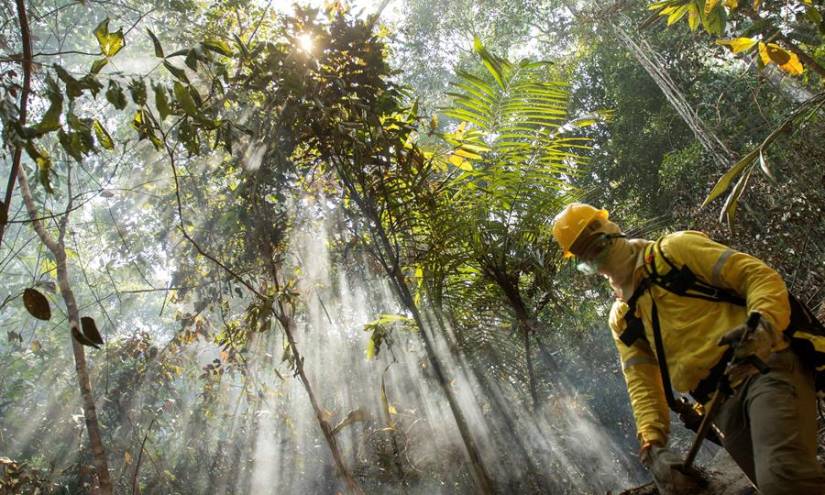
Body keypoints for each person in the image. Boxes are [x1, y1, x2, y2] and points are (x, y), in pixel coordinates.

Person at [551, 202, 825, 495]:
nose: (598, 255)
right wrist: (652, 444)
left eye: (597, 243)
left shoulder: (674, 251)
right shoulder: (623, 318)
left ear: (611, 229)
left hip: (764, 369)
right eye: (586, 253)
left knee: (784, 479)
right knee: (774, 482)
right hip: (718, 407)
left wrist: (763, 326)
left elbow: (757, 276)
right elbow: (641, 382)